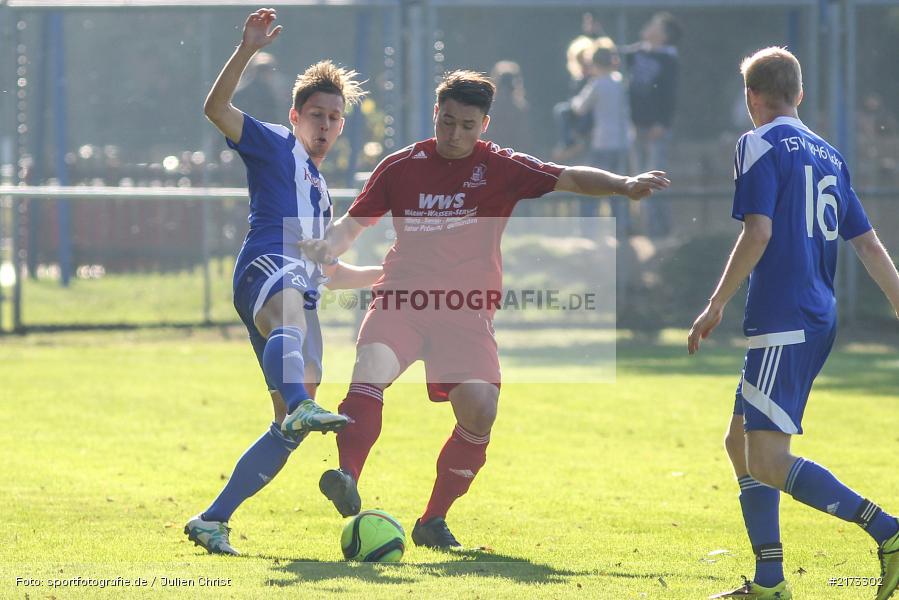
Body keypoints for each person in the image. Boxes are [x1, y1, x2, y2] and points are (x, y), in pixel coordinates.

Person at [301, 70, 669, 549]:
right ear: (436, 113)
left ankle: (433, 520)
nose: (455, 134)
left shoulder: (500, 166)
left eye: (467, 126)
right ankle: (347, 475)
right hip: (403, 298)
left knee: (480, 410)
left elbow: (568, 177)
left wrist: (623, 183)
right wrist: (328, 246)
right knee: (371, 368)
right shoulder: (400, 165)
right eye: (447, 122)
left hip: (466, 311)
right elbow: (355, 223)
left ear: (484, 125)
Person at [688, 47, 899, 600]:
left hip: (784, 318)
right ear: (800, 94)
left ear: (751, 98)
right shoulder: (830, 154)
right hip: (817, 314)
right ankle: (769, 580)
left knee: (768, 458)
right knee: (739, 441)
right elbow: (870, 244)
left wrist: (715, 303)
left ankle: (889, 531)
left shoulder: (757, 142)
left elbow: (757, 232)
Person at [183, 8, 381, 556]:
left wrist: (387, 275)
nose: (324, 124)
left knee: (286, 431)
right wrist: (246, 48)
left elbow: (330, 270)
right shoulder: (274, 144)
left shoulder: (321, 192)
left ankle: (212, 519)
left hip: (294, 285)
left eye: (334, 117)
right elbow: (215, 108)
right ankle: (299, 401)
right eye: (315, 113)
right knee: (293, 318)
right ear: (296, 117)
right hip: (264, 268)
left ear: (343, 125)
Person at [622, 11, 682, 238]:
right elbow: (613, 55)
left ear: (664, 36)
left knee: (655, 177)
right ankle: (645, 228)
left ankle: (660, 230)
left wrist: (663, 123)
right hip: (636, 125)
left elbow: (669, 95)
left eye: (655, 26)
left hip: (656, 128)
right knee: (637, 176)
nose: (649, 27)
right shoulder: (639, 52)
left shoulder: (668, 59)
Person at [570, 36, 630, 238]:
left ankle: (589, 230)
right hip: (622, 141)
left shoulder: (597, 84)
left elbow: (579, 107)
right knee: (620, 186)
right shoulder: (620, 82)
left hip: (602, 141)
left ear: (594, 63)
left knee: (593, 185)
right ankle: (621, 228)